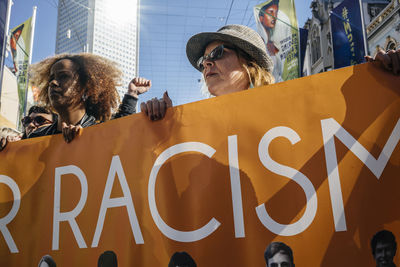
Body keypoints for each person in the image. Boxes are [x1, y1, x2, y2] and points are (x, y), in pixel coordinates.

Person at [27, 53, 150, 143]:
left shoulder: (102, 130)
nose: (53, 83)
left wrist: (132, 95)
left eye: (63, 76)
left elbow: (123, 129)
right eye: (51, 78)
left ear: (86, 88)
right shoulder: (35, 138)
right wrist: (8, 148)